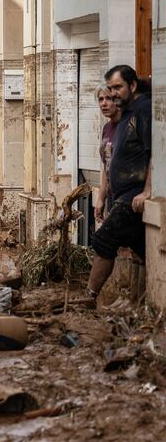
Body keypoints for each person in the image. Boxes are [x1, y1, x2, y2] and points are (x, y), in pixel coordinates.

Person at [87, 65, 151, 302]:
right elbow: (108, 166)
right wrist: (102, 197)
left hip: (133, 196)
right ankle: (141, 301)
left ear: (132, 86)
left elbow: (154, 152)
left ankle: (89, 296)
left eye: (116, 89)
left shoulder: (141, 109)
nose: (110, 97)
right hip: (120, 196)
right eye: (105, 94)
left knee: (104, 240)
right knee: (143, 249)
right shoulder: (122, 118)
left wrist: (148, 191)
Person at [95, 86, 122, 224]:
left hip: (126, 196)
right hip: (111, 195)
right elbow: (107, 166)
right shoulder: (106, 128)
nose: (103, 103)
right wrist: (100, 198)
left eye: (108, 98)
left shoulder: (128, 125)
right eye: (100, 99)